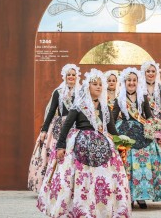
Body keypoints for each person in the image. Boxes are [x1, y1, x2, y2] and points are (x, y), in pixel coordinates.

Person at [37, 69, 131, 217]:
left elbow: (112, 129)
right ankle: (79, 209)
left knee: (103, 179)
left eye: (100, 84)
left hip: (103, 148)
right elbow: (66, 126)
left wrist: (120, 144)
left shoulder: (105, 107)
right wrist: (61, 146)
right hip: (79, 146)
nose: (98, 87)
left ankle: (100, 209)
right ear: (88, 86)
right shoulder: (79, 105)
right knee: (81, 179)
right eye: (95, 84)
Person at [113, 67, 161, 209]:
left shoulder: (143, 98)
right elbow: (113, 117)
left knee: (144, 166)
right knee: (128, 166)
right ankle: (129, 196)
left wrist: (156, 131)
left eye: (134, 80)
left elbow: (149, 116)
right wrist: (113, 135)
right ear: (124, 82)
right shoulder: (120, 99)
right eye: (129, 80)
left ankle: (142, 197)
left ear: (137, 82)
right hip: (125, 134)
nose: (131, 83)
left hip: (143, 134)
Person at [28, 64, 80, 193]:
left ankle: (72, 185)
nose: (71, 77)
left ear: (77, 76)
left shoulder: (82, 91)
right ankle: (52, 184)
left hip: (76, 126)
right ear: (65, 77)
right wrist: (44, 130)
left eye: (73, 75)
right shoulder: (59, 92)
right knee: (54, 154)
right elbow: (51, 111)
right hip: (60, 126)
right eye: (69, 75)